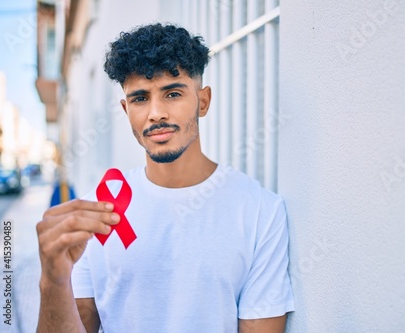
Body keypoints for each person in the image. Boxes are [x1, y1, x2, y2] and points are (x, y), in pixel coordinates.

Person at [36, 23, 294, 332]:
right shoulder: (99, 210)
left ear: (203, 101)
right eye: (140, 98)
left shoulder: (259, 212)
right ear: (125, 108)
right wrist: (53, 280)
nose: (156, 113)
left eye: (172, 93)